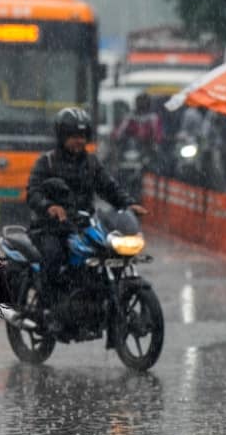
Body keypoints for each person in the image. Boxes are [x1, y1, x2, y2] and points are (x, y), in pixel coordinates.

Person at [27, 107, 147, 307]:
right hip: (51, 227)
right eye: (73, 136)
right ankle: (49, 309)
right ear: (62, 137)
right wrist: (50, 207)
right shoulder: (46, 162)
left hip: (84, 224)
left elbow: (109, 187)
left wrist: (128, 204)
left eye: (82, 136)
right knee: (53, 257)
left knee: (105, 252)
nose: (79, 141)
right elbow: (33, 192)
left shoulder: (91, 163)